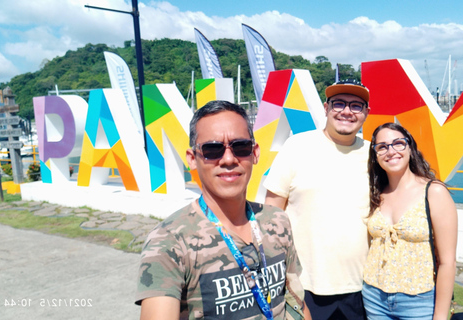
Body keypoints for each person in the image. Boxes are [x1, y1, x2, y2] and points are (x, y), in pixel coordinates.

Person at [136, 100, 311, 320]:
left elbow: (296, 303)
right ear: (192, 159)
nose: (228, 159)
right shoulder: (169, 242)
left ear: (255, 153)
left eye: (240, 147)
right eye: (212, 149)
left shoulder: (277, 221)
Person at [264, 80, 371, 320]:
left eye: (356, 105)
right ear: (326, 108)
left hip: (363, 289)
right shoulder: (297, 146)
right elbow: (271, 215)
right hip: (303, 286)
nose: (346, 111)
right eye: (339, 103)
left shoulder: (375, 154)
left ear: (366, 112)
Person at [363, 122, 457, 320]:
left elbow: (447, 262)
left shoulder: (434, 192)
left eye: (398, 143)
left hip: (419, 301)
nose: (391, 151)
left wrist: (440, 316)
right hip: (374, 296)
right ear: (376, 154)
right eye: (382, 146)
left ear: (410, 148)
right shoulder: (376, 193)